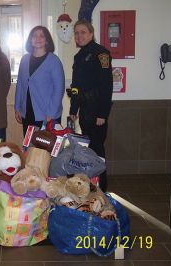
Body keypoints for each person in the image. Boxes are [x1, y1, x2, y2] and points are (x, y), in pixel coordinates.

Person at [69, 19, 113, 192]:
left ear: (91, 34)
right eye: (77, 33)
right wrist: (73, 109)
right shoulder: (79, 56)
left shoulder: (101, 54)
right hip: (85, 111)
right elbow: (75, 87)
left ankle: (102, 187)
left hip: (97, 111)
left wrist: (103, 114)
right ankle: (92, 186)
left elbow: (106, 85)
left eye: (83, 32)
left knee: (98, 151)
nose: (79, 36)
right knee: (89, 151)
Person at [14, 26, 65, 136]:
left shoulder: (54, 61)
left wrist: (51, 113)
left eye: (41, 36)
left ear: (47, 40)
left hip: (46, 113)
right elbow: (20, 85)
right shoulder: (24, 59)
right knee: (29, 146)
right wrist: (17, 107)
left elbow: (59, 89)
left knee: (46, 149)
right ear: (30, 40)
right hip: (27, 111)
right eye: (34, 36)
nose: (38, 38)